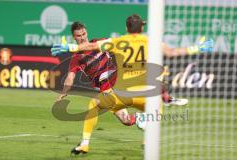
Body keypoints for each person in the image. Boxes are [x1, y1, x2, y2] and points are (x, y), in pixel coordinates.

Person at [51, 14, 213, 155]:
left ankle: (85, 143)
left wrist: (69, 47)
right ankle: (148, 116)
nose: (82, 37)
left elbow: (91, 46)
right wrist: (198, 47)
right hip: (111, 90)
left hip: (117, 83)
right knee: (128, 120)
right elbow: (70, 77)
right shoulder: (77, 58)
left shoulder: (110, 42)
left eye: (84, 34)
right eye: (78, 36)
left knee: (96, 104)